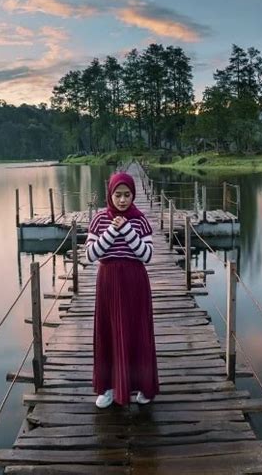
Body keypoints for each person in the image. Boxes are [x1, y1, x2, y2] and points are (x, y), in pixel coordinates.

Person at [85, 171, 159, 408]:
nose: (122, 200)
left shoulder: (140, 220)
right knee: (107, 334)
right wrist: (112, 231)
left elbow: (146, 255)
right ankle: (107, 388)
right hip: (108, 283)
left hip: (135, 284)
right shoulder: (99, 220)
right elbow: (90, 255)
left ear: (133, 195)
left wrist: (127, 229)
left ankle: (143, 386)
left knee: (137, 334)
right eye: (118, 195)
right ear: (111, 194)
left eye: (127, 195)